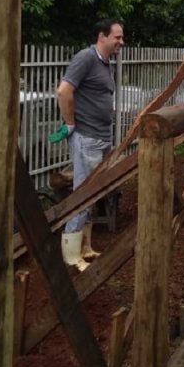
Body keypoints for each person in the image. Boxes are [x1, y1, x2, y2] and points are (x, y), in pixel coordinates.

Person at [55, 18, 125, 271]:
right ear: (102, 36)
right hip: (86, 138)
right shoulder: (85, 58)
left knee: (93, 193)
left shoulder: (104, 63)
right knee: (83, 195)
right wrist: (71, 123)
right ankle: (71, 257)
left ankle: (85, 246)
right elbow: (64, 91)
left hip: (100, 138)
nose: (121, 42)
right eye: (117, 37)